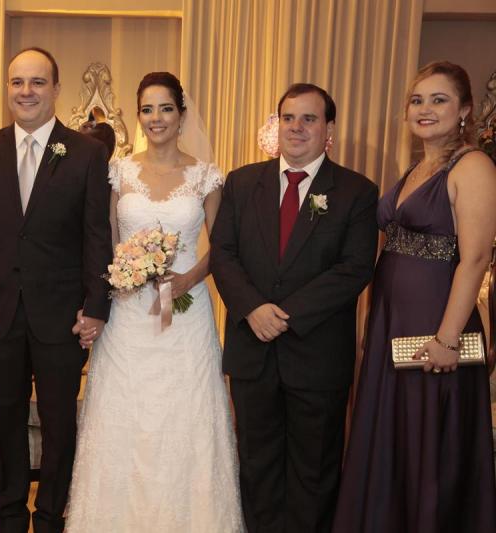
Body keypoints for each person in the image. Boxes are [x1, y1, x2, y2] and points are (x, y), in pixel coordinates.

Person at [65, 71, 246, 532]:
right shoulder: (119, 171)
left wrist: (187, 279)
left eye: (166, 108)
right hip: (128, 313)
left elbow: (222, 247)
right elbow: (104, 238)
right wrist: (120, 275)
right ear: (138, 115)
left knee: (183, 413)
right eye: (147, 109)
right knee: (124, 413)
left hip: (185, 312)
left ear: (182, 115)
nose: (156, 118)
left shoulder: (205, 176)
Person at [333, 61, 496, 533]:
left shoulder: (474, 166)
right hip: (394, 318)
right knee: (394, 435)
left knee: (426, 439)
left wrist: (447, 339)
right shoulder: (417, 168)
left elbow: (475, 258)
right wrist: (371, 321)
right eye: (417, 100)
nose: (425, 109)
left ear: (464, 110)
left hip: (436, 322)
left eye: (439, 100)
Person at [210, 83, 379, 533]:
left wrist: (284, 315)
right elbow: (223, 253)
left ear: (328, 128)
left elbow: (355, 268)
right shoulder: (242, 182)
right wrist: (253, 308)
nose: (297, 127)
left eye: (309, 118)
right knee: (256, 466)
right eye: (288, 118)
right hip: (253, 351)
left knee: (314, 473)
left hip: (317, 355)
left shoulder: (357, 191)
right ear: (277, 124)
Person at [0, 47, 112, 533]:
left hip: (63, 316)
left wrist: (96, 307)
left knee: (59, 422)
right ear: (7, 88)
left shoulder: (87, 153)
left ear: (56, 89)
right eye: (17, 82)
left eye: (37, 82)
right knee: (2, 420)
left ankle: (50, 518)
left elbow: (96, 235)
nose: (26, 91)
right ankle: (8, 516)